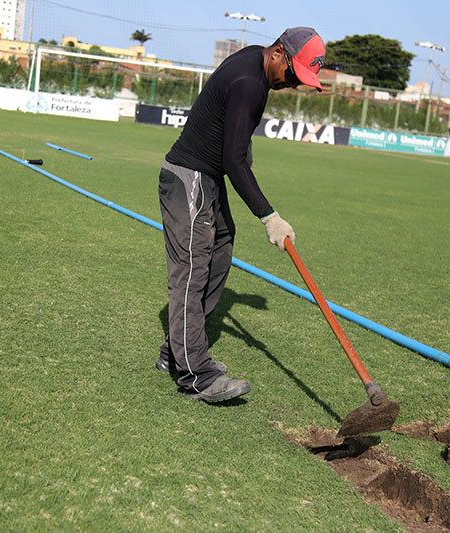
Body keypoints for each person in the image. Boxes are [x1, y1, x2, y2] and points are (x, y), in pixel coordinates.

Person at [156, 27, 326, 403]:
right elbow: (234, 159)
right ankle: (196, 375)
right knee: (192, 270)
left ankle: (176, 350)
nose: (294, 84)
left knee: (219, 250)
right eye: (294, 75)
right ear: (278, 52)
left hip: (207, 179)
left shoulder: (254, 59)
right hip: (190, 179)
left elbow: (234, 142)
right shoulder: (252, 82)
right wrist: (269, 217)